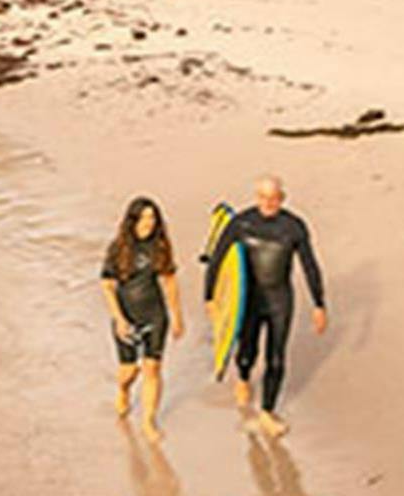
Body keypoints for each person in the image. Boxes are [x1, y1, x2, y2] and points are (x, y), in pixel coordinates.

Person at [204, 175, 328, 437]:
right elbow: (217, 259)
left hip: (279, 299)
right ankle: (243, 377)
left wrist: (319, 303)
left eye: (274, 198)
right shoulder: (241, 223)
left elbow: (309, 264)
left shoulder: (293, 226)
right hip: (249, 299)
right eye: (263, 197)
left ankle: (267, 412)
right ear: (256, 196)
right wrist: (209, 297)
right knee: (247, 350)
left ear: (282, 198)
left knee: (276, 357)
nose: (269, 203)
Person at [100, 196, 185, 443]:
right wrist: (119, 319)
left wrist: (177, 316)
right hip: (126, 316)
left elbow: (169, 282)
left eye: (153, 218)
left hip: (155, 315)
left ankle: (148, 420)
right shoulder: (118, 248)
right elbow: (107, 285)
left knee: (152, 368)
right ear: (133, 220)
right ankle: (123, 390)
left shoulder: (159, 246)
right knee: (129, 370)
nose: (149, 223)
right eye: (144, 218)